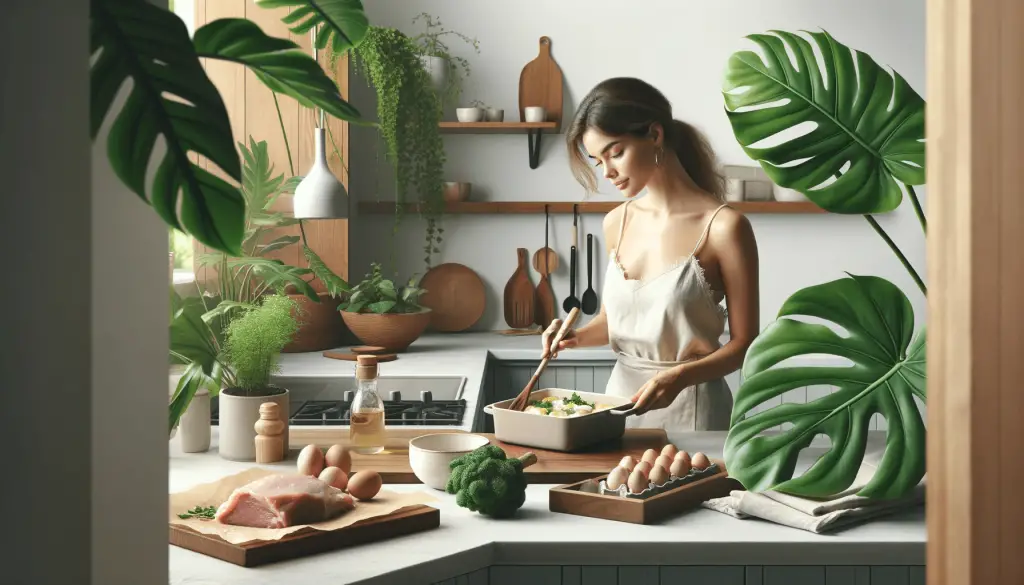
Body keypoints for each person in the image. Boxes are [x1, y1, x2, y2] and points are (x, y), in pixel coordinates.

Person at [541, 77, 760, 432]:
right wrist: (572, 336)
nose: (608, 172)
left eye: (615, 152)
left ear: (654, 135)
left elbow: (743, 343)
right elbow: (617, 322)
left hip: (692, 411)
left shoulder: (724, 228)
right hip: (619, 405)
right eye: (598, 161)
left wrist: (679, 378)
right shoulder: (617, 222)